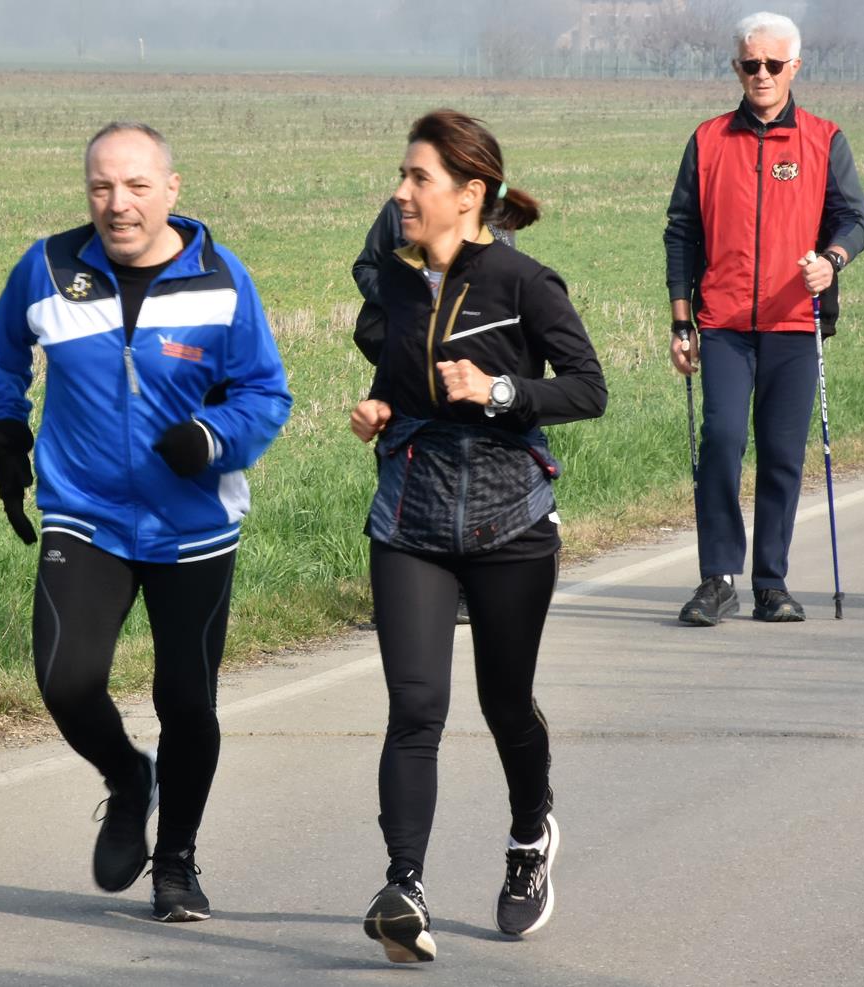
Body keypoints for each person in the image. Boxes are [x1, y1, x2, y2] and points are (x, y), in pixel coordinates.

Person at [0, 122, 292, 922]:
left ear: (171, 191)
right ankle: (127, 776)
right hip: (85, 513)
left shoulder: (222, 281)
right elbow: (0, 350)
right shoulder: (48, 269)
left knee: (187, 702)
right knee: (65, 680)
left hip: (195, 524)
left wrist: (213, 437)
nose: (118, 204)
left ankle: (175, 860)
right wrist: (1, 427)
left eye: (137, 186)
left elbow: (266, 393)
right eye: (102, 187)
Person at [350, 109, 606, 962]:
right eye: (402, 174)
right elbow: (399, 374)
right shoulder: (396, 284)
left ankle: (530, 833)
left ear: (470, 193)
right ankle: (403, 887)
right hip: (411, 518)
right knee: (416, 706)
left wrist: (499, 391)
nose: (401, 191)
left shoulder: (524, 283)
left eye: (417, 177)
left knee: (505, 704)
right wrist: (380, 409)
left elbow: (587, 388)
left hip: (509, 523)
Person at [664, 11, 864, 626]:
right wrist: (681, 323)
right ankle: (717, 578)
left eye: (773, 64)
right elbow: (681, 233)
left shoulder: (824, 139)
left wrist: (832, 261)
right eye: (751, 64)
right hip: (724, 324)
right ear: (737, 67)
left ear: (794, 67)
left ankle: (771, 584)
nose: (762, 74)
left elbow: (853, 221)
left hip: (794, 324)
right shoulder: (707, 141)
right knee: (722, 441)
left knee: (781, 455)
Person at [350, 201, 515, 626]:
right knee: (399, 471)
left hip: (472, 363)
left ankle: (464, 591)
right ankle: (398, 597)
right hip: (407, 361)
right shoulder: (399, 209)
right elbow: (365, 266)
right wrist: (406, 297)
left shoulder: (493, 209)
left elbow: (510, 283)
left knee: (470, 472)